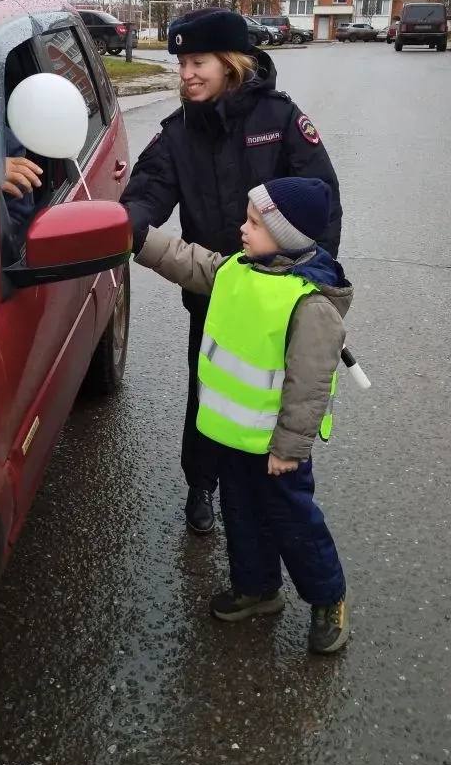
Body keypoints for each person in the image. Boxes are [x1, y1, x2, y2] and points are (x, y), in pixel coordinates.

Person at [121, 8, 342, 536]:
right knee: (210, 388)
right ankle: (202, 484)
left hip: (279, 297)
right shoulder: (177, 132)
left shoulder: (280, 120)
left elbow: (322, 201)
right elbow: (148, 190)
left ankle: (275, 483)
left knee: (277, 392)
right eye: (180, 63)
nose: (186, 74)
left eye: (198, 62)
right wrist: (125, 224)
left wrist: (313, 279)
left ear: (230, 63)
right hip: (214, 290)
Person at [135, 176, 352, 653]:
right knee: (241, 516)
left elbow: (309, 386)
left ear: (288, 237)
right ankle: (257, 589)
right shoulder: (240, 269)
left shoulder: (309, 303)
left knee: (293, 524)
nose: (242, 229)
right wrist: (142, 239)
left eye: (255, 223)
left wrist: (290, 448)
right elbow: (191, 262)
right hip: (233, 439)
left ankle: (327, 597)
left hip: (277, 449)